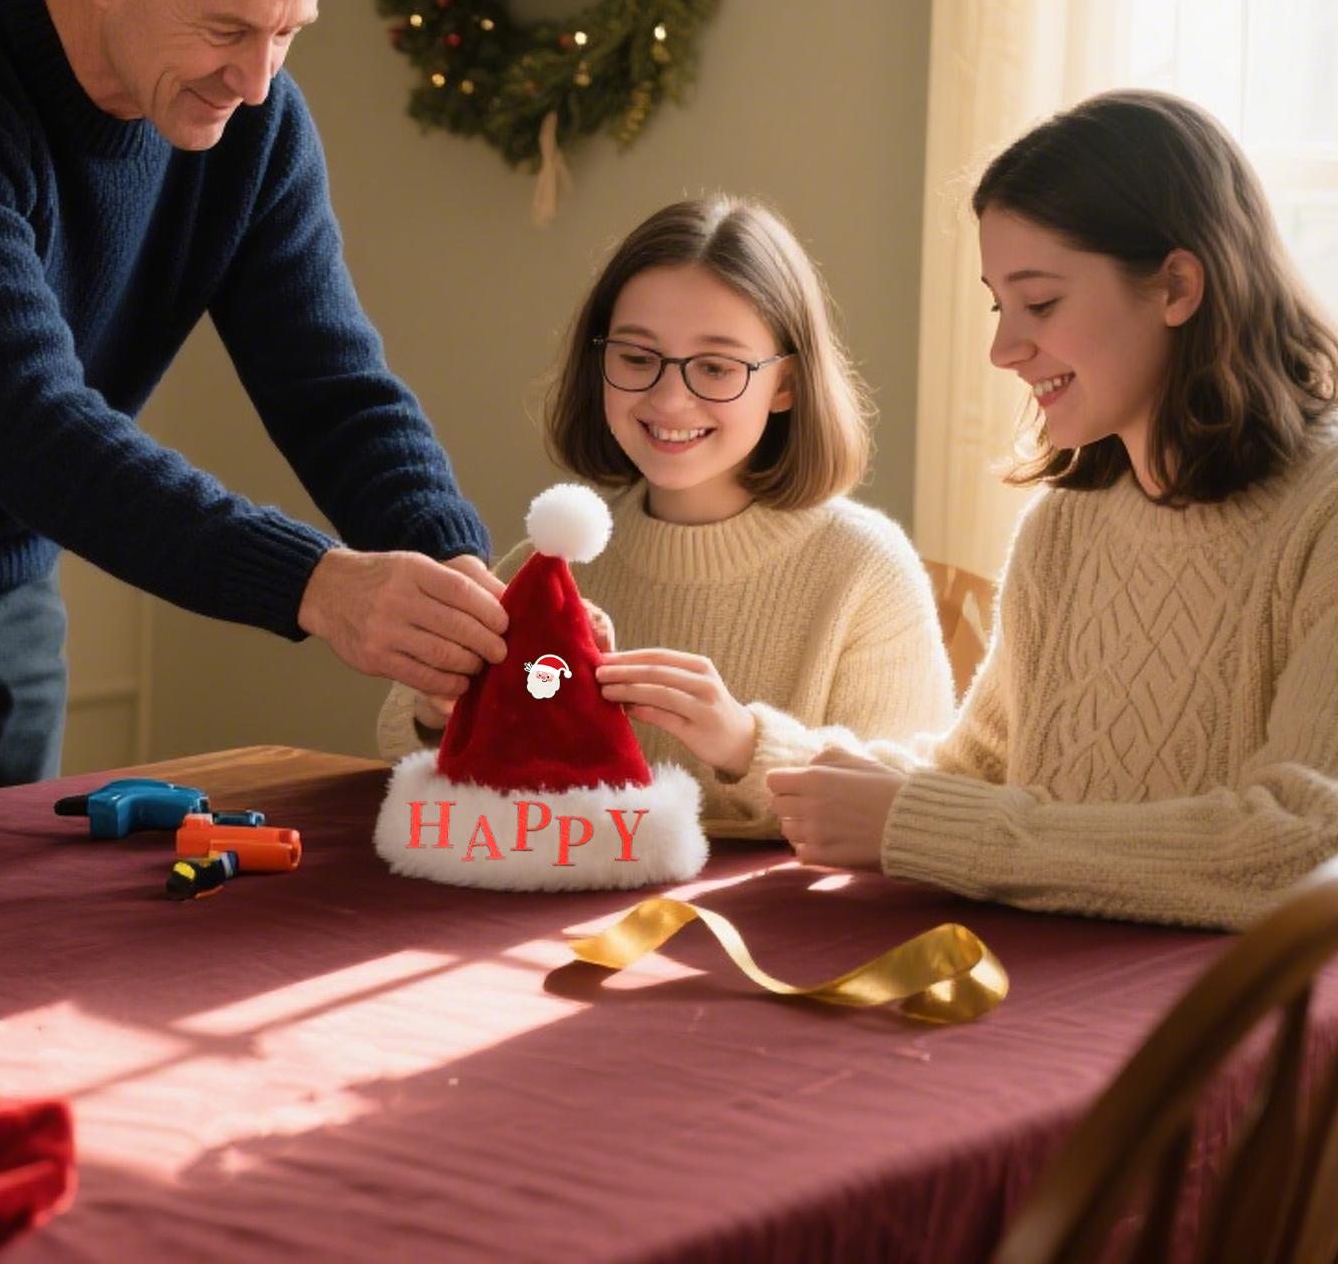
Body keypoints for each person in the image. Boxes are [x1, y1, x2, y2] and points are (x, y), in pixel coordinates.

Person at [0, 0, 507, 809]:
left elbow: (332, 383)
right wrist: (318, 585)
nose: (255, 80)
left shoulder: (256, 123)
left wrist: (464, 588)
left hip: (12, 600)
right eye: (228, 28)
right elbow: (32, 423)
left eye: (288, 32)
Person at [767, 89, 1338, 929]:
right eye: (997, 303)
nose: (1002, 348)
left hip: (1311, 1028)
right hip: (1080, 985)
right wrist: (749, 746)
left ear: (1174, 285)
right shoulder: (1066, 525)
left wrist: (917, 826)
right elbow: (974, 781)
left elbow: (1315, 848)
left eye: (1040, 301)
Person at [378, 196, 956, 835]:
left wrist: (744, 744)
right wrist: (442, 708)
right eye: (636, 358)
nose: (670, 397)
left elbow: (912, 797)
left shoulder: (865, 571)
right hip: (552, 918)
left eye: (716, 367)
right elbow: (415, 753)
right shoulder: (554, 566)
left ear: (786, 384)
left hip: (762, 932)